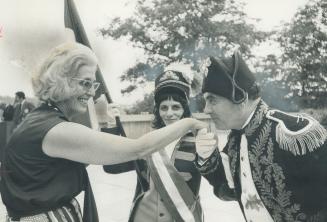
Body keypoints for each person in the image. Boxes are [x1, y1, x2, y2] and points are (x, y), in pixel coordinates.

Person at [0, 42, 207, 222]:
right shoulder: (54, 130)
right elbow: (139, 148)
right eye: (85, 83)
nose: (92, 92)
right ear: (62, 81)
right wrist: (188, 122)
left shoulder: (42, 121)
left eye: (93, 83)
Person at [194, 50, 327, 222]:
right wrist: (206, 158)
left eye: (212, 100)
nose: (206, 109)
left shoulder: (295, 132)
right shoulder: (234, 140)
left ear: (240, 97)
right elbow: (228, 191)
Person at [103, 70, 215, 222]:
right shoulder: (147, 143)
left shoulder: (199, 143)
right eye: (164, 107)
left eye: (176, 107)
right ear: (158, 110)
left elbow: (220, 183)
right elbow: (112, 167)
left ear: (185, 110)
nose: (169, 113)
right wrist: (111, 123)